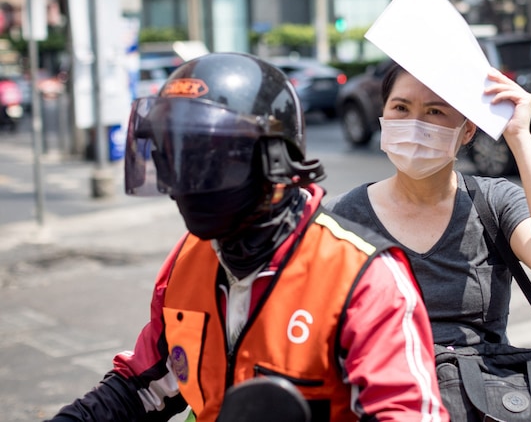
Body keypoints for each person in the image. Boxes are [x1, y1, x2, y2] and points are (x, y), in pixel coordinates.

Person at [48, 53, 448, 422]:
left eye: (210, 163)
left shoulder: (365, 279)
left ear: (276, 164)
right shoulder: (190, 258)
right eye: (174, 160)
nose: (188, 185)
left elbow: (405, 411)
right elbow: (143, 387)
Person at [325, 63, 531, 348]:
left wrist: (520, 136)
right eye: (400, 108)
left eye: (435, 111)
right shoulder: (340, 217)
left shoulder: (493, 202)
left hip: (480, 388)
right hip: (380, 388)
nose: (414, 125)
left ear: (468, 131)